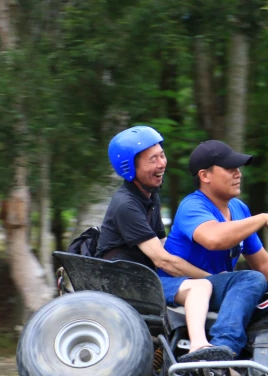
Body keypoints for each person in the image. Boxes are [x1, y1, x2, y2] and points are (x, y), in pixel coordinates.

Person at [95, 126, 223, 362]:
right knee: (201, 288)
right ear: (130, 168)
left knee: (201, 283)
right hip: (126, 282)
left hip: (143, 277)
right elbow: (162, 259)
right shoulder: (127, 205)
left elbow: (163, 243)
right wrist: (211, 278)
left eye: (162, 155)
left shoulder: (150, 195)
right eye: (152, 159)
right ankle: (198, 346)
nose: (162, 163)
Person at [161, 140, 268, 358]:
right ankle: (224, 350)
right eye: (230, 169)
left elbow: (265, 267)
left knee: (267, 287)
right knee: (249, 279)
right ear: (205, 176)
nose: (238, 174)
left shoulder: (239, 209)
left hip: (214, 286)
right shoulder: (192, 206)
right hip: (177, 286)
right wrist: (262, 218)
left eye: (238, 168)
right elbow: (214, 239)